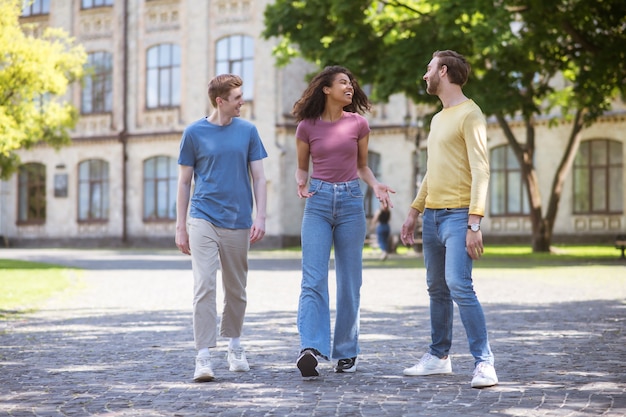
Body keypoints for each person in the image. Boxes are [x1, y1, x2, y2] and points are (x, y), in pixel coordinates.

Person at [400, 50, 498, 388]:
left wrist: (474, 223)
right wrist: (414, 211)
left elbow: (482, 169)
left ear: (444, 71)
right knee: (437, 289)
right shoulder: (438, 118)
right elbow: (432, 171)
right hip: (432, 217)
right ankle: (439, 357)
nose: (424, 75)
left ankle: (484, 362)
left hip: (458, 217)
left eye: (429, 68)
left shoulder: (471, 115)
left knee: (459, 284)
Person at [293, 65, 395, 377]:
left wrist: (375, 185)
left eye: (350, 83)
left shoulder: (359, 124)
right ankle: (310, 347)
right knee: (313, 279)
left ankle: (347, 351)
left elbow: (362, 166)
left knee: (350, 282)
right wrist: (300, 182)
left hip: (351, 202)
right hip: (319, 202)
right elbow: (302, 167)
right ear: (326, 89)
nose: (349, 87)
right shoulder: (306, 127)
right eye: (342, 82)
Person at [175, 74, 268, 382]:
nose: (243, 101)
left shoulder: (248, 131)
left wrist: (261, 216)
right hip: (202, 217)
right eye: (238, 97)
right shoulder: (193, 133)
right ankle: (202, 357)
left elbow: (259, 177)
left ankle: (235, 345)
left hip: (239, 219)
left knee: (236, 288)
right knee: (204, 285)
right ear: (220, 100)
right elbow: (184, 182)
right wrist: (181, 226)